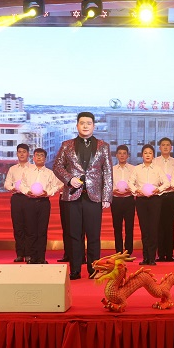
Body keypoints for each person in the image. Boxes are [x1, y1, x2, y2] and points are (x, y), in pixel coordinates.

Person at [52, 111, 113, 280]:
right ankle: (75, 269)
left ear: (94, 126)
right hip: (72, 196)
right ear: (77, 125)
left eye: (89, 123)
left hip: (94, 197)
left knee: (93, 235)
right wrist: (69, 179)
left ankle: (94, 269)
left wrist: (107, 197)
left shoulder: (103, 146)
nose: (85, 126)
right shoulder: (66, 145)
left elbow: (108, 172)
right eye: (82, 123)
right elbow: (57, 166)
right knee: (73, 234)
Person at [20, 148, 63, 264]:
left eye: (41, 155)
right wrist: (27, 191)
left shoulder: (50, 173)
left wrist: (48, 193)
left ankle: (41, 257)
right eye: (37, 155)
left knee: (42, 231)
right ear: (33, 158)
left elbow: (58, 186)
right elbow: (22, 185)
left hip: (44, 203)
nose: (39, 157)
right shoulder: (27, 172)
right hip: (30, 202)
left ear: (45, 158)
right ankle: (31, 257)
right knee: (30, 230)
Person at [132, 144, 167, 265]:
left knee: (153, 228)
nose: (147, 155)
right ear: (142, 155)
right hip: (141, 200)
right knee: (144, 229)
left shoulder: (157, 169)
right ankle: (145, 257)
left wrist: (158, 189)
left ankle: (152, 257)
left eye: (150, 153)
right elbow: (130, 183)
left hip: (154, 200)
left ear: (153, 155)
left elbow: (166, 183)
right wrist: (136, 190)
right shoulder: (137, 169)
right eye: (145, 153)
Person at [4, 143, 32, 263]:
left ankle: (29, 253)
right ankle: (20, 254)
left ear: (28, 154)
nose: (21, 154)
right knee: (18, 226)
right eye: (19, 152)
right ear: (17, 154)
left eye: (24, 152)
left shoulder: (33, 168)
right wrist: (12, 188)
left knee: (29, 226)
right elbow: (6, 184)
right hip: (16, 198)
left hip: (29, 198)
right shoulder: (13, 169)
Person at [155, 137, 174, 262]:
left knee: (170, 225)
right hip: (158, 196)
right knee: (159, 225)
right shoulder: (154, 162)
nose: (165, 147)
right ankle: (160, 254)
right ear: (159, 147)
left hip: (171, 196)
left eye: (168, 145)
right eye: (163, 145)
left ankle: (169, 254)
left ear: (171, 147)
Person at [110, 145, 137, 256]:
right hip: (116, 200)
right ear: (116, 155)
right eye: (120, 153)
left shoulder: (133, 169)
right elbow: (108, 184)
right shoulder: (111, 169)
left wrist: (131, 190)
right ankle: (119, 251)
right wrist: (113, 190)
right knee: (117, 226)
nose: (122, 155)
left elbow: (136, 183)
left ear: (128, 155)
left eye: (124, 153)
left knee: (129, 227)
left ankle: (128, 251)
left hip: (129, 200)